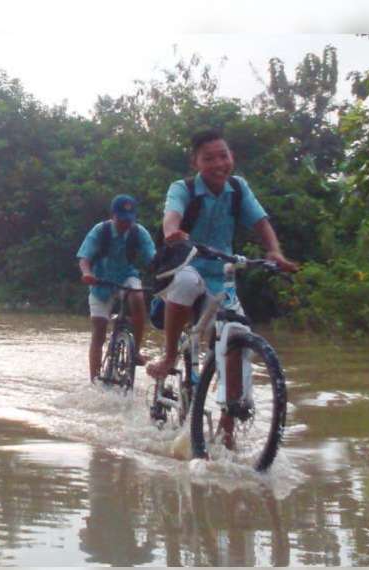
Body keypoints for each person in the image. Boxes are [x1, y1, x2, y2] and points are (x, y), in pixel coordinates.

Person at [146, 130, 298, 440]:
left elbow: (260, 223)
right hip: (184, 266)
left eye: (223, 156)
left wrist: (275, 251)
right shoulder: (183, 188)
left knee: (239, 335)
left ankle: (228, 425)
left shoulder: (238, 189)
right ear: (196, 162)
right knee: (188, 281)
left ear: (232, 158)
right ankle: (171, 355)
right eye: (209, 158)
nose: (218, 163)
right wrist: (173, 231)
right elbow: (171, 215)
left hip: (221, 275)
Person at [77, 194, 156, 382]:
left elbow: (153, 259)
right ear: (113, 216)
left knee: (137, 298)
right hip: (100, 281)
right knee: (99, 329)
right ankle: (94, 380)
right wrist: (87, 273)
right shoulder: (100, 230)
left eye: (129, 220)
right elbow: (84, 258)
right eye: (121, 220)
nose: (125, 224)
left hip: (127, 277)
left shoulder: (139, 233)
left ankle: (135, 350)